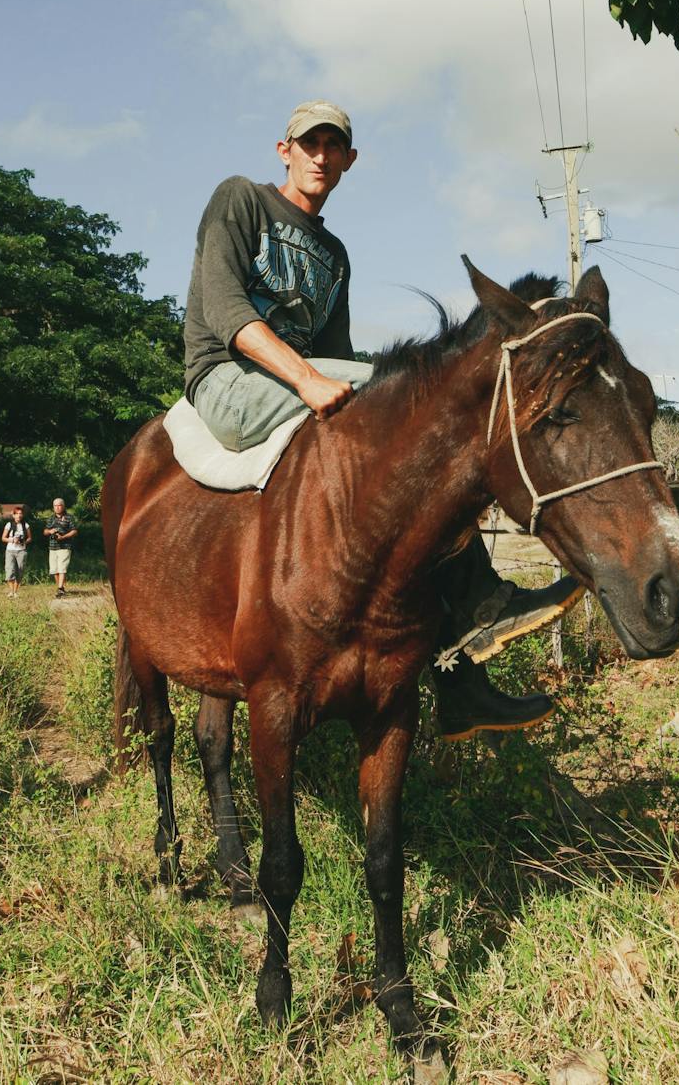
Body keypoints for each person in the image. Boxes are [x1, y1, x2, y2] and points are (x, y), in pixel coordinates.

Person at [181, 99, 580, 739]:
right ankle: (484, 598)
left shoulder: (334, 253)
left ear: (349, 160)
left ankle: (458, 675)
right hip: (229, 380)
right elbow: (226, 311)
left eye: (332, 146)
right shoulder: (241, 201)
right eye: (307, 143)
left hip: (305, 383)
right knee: (424, 411)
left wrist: (332, 381)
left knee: (410, 452)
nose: (319, 155)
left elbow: (338, 354)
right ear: (283, 150)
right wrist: (310, 379)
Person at [45, 497, 79, 596]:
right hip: (52, 546)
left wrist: (63, 537)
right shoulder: (51, 518)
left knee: (62, 568)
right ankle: (60, 588)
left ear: (63, 506)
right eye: (55, 506)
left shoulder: (69, 517)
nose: (57, 507)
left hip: (65, 546)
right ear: (53, 507)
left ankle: (60, 588)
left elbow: (74, 531)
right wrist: (50, 531)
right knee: (54, 570)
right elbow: (45, 531)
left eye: (59, 505)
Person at [1, 504, 33, 595]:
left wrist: (23, 542)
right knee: (9, 570)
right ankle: (11, 591)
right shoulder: (9, 524)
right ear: (13, 515)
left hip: (21, 550)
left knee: (20, 570)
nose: (19, 515)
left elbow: (30, 538)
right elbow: (3, 538)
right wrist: (12, 540)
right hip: (10, 550)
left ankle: (15, 592)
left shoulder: (25, 525)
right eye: (17, 513)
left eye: (20, 513)